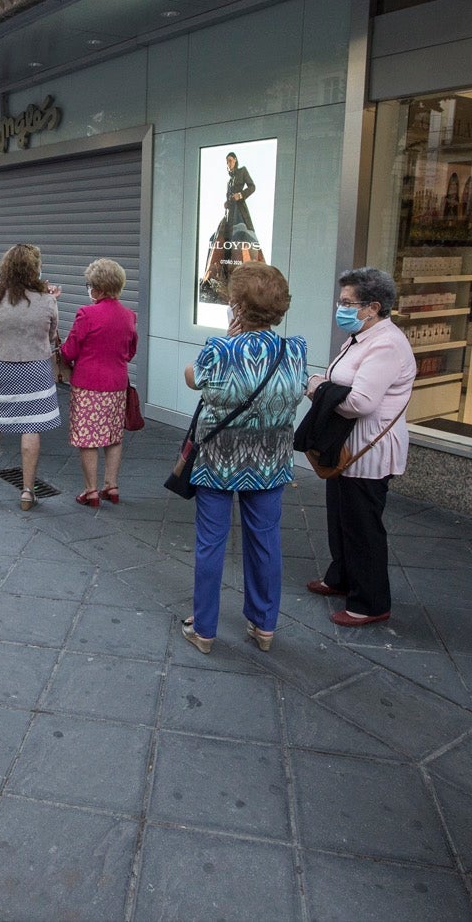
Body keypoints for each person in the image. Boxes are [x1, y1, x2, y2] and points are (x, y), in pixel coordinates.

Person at [180, 263, 307, 653]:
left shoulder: (219, 349)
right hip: (270, 460)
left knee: (211, 542)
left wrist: (226, 341)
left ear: (236, 305)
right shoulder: (294, 349)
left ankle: (204, 629)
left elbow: (192, 378)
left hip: (218, 459)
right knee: (266, 541)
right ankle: (264, 625)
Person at [302, 267, 416, 627]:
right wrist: (324, 385)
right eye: (342, 301)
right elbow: (341, 382)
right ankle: (341, 578)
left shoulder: (386, 344)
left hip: (368, 451)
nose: (341, 309)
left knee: (363, 526)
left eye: (348, 302)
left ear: (373, 307)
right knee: (340, 518)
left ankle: (370, 602)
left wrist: (317, 388)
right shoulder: (360, 338)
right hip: (344, 446)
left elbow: (360, 402)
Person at [0, 243, 60, 511]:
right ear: (35, 269)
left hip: (2, 367)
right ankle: (28, 492)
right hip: (36, 368)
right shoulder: (47, 300)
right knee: (31, 427)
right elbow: (52, 334)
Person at [60, 258, 137, 505]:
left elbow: (69, 351)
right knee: (113, 435)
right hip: (117, 384)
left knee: (87, 437)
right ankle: (111, 486)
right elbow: (130, 352)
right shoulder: (129, 316)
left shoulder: (87, 314)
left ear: (99, 289)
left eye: (90, 285)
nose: (89, 289)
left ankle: (91, 490)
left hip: (88, 384)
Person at [200, 152, 264, 304]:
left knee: (240, 236)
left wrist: (240, 195)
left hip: (239, 211)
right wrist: (227, 203)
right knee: (217, 238)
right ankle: (215, 275)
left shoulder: (242, 171)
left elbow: (252, 187)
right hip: (229, 212)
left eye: (230, 160)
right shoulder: (229, 181)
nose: (228, 163)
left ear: (235, 160)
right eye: (226, 161)